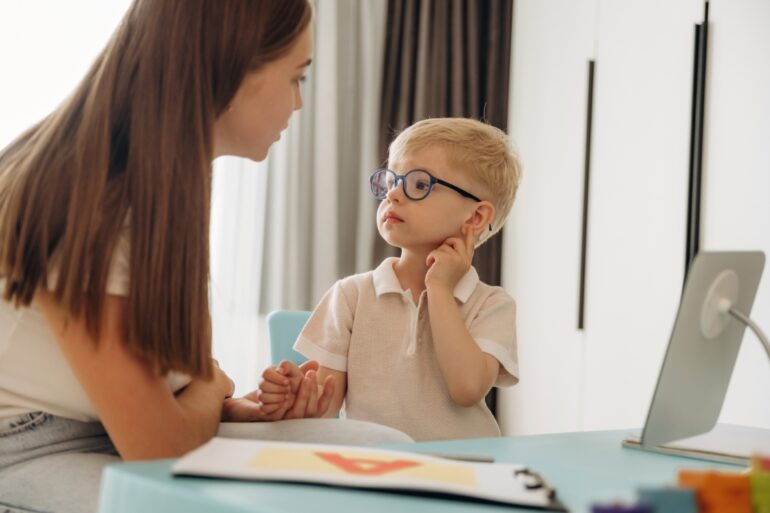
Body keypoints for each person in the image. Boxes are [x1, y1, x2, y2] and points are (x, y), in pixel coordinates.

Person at [0, 3, 408, 513]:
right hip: (28, 447)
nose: (299, 102)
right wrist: (213, 385)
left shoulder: (166, 186)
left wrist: (238, 409)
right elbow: (160, 450)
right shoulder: (88, 199)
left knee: (384, 453)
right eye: (296, 77)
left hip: (102, 432)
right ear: (232, 70)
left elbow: (156, 404)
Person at [258, 118, 522, 441]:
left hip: (466, 471)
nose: (393, 194)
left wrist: (439, 289)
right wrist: (296, 396)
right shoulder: (351, 296)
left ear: (476, 217)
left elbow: (466, 388)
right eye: (392, 180)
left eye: (419, 185)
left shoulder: (493, 305)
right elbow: (325, 409)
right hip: (374, 470)